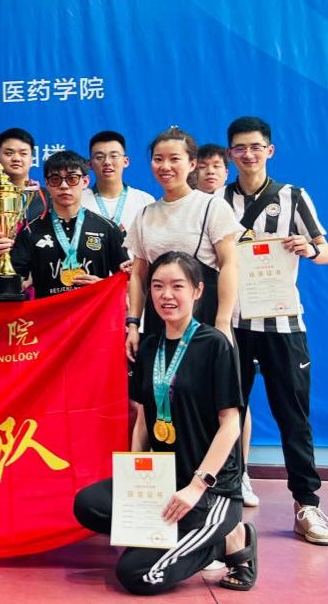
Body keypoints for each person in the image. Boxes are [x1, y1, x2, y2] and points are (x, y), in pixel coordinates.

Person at [73, 252, 256, 595]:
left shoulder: (215, 345)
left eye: (177, 286)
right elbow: (145, 417)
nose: (166, 295)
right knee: (88, 504)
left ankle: (228, 540)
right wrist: (133, 475)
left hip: (209, 490)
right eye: (157, 286)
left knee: (137, 575)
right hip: (164, 481)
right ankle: (170, 536)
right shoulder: (150, 347)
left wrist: (197, 486)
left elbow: (231, 424)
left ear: (197, 291)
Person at [221, 116, 328, 545]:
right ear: (230, 154)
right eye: (239, 148)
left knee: (294, 418)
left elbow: (326, 250)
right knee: (225, 414)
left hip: (283, 324)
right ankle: (223, 504)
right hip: (232, 326)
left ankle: (307, 505)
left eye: (255, 147)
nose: (247, 155)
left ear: (269, 150)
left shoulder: (293, 196)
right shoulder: (216, 200)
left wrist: (310, 248)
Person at [125, 127, 242, 348]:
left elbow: (229, 265)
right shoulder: (144, 214)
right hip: (158, 322)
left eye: (174, 159)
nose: (165, 166)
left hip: (205, 318)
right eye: (158, 159)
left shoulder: (212, 206)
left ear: (192, 164)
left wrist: (223, 323)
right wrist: (133, 324)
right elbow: (138, 276)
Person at [0, 150, 126, 299]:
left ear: (85, 182)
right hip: (50, 314)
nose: (64, 186)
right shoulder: (30, 231)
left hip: (95, 312)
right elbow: (14, 286)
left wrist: (104, 285)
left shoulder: (107, 228)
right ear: (47, 184)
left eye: (72, 178)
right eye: (55, 179)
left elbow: (128, 281)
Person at [81, 130, 156, 240]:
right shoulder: (79, 201)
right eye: (99, 157)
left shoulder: (145, 201)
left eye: (114, 156)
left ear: (125, 161)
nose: (107, 162)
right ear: (90, 164)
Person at [0, 127, 47, 225]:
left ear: (32, 160)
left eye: (23, 153)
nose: (16, 158)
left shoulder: (47, 199)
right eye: (9, 153)